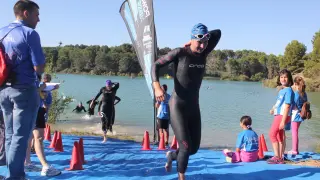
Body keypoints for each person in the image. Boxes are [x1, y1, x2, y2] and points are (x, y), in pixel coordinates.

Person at [151, 23, 221, 179]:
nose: (202, 46)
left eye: (205, 42)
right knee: (185, 146)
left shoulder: (204, 52)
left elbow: (218, 33)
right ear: (191, 39)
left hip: (194, 107)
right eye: (199, 42)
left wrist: (204, 37)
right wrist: (156, 86)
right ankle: (181, 177)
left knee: (193, 149)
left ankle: (171, 156)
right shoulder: (180, 53)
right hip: (177, 106)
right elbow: (155, 65)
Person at [0, 1, 45, 179]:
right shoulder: (30, 33)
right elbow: (39, 67)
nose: (38, 19)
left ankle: (12, 172)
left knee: (10, 134)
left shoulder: (2, 32)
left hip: (3, 90)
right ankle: (16, 176)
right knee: (21, 136)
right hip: (23, 90)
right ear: (26, 13)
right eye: (36, 15)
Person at [25, 83, 61, 177]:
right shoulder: (31, 77)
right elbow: (34, 91)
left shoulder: (29, 78)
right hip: (35, 110)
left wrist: (46, 90)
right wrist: (42, 88)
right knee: (38, 139)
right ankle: (45, 167)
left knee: (30, 137)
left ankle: (27, 163)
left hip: (31, 110)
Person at [267, 69, 294, 164]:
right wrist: (273, 109)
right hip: (279, 114)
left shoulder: (289, 91)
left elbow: (287, 106)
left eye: (285, 77)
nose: (283, 79)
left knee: (272, 134)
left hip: (282, 115)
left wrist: (283, 121)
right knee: (279, 136)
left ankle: (277, 157)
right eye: (281, 77)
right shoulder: (283, 90)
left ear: (289, 79)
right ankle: (281, 157)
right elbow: (279, 103)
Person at [287, 76, 309, 155]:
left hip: (296, 114)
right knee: (295, 132)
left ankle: (294, 150)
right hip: (301, 115)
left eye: (294, 84)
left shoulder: (296, 93)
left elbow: (294, 104)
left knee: (294, 132)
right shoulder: (304, 93)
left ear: (296, 84)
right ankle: (295, 149)